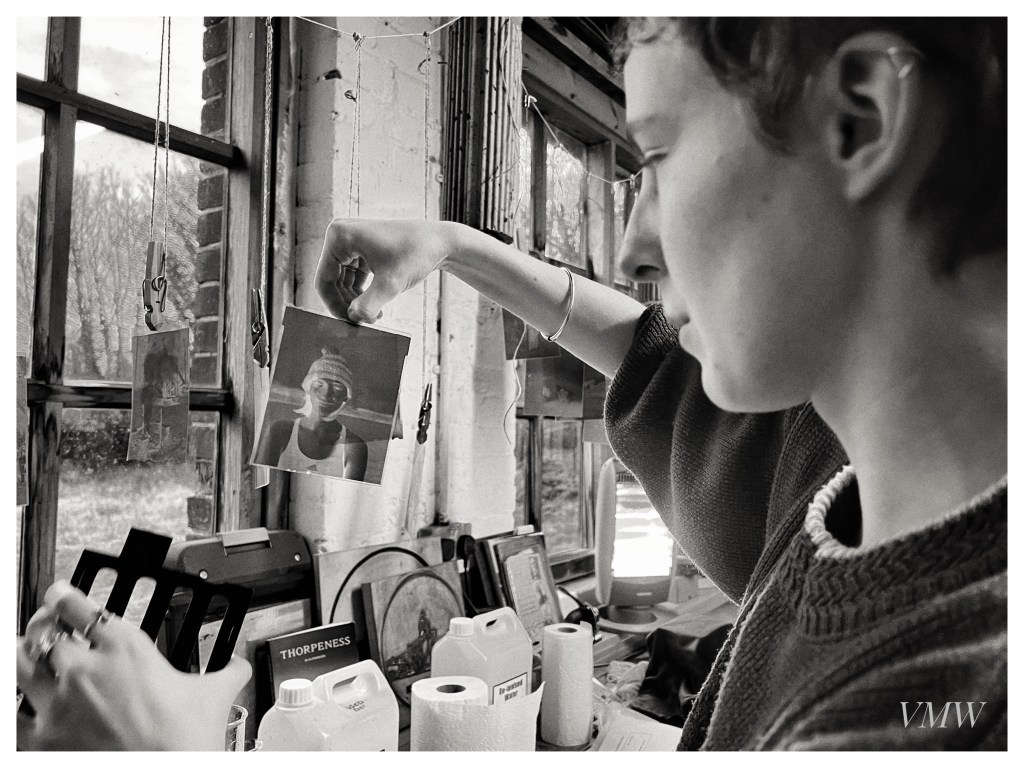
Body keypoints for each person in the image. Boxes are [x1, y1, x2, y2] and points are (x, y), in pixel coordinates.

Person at [16, 16, 1005, 750]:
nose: (633, 248)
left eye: (659, 155)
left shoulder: (943, 710)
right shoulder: (844, 470)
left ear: (859, 118)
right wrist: (453, 247)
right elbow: (653, 351)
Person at [254, 345, 369, 482]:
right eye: (319, 385)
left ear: (346, 397)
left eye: (337, 388)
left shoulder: (354, 446)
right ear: (308, 388)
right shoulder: (279, 431)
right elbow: (260, 484)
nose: (326, 394)